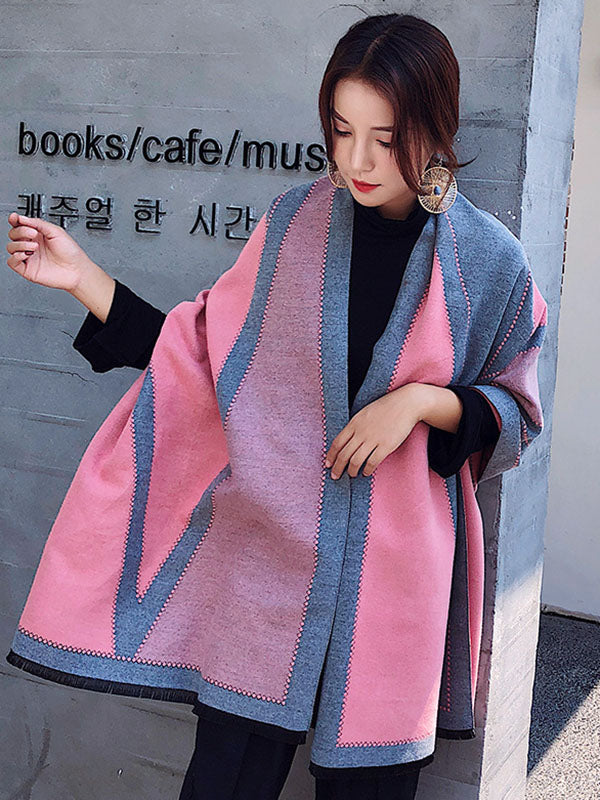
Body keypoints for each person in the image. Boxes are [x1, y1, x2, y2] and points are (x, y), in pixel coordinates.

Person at [5, 12, 546, 800]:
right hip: (267, 568)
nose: (357, 160)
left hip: (392, 588)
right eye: (342, 130)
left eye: (386, 137)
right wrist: (85, 279)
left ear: (436, 127)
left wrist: (424, 403)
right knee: (223, 783)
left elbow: (518, 411)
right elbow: (203, 357)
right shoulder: (295, 225)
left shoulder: (489, 262)